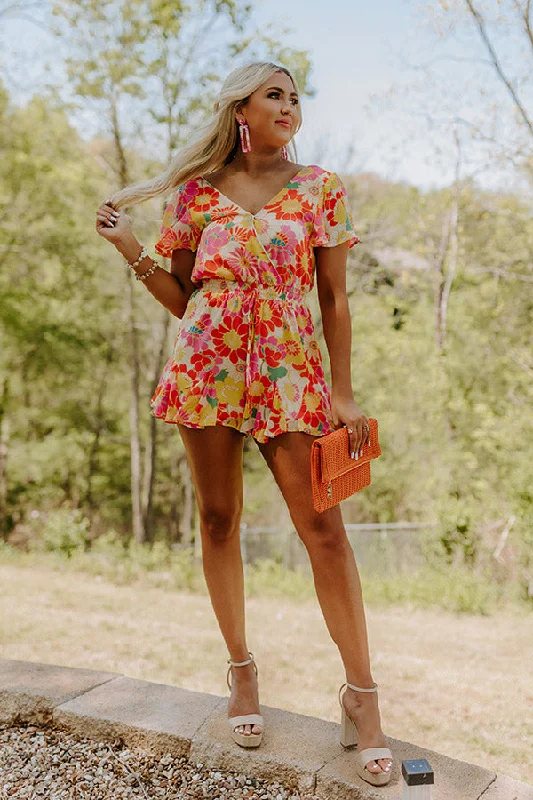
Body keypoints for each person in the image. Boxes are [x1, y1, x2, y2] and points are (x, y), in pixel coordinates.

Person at [95, 60, 393, 787]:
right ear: (241, 109)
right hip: (206, 366)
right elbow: (185, 296)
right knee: (218, 519)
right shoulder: (198, 193)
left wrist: (344, 394)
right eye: (274, 95)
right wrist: (131, 247)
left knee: (322, 528)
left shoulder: (319, 188)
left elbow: (334, 300)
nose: (290, 106)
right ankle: (242, 674)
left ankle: (363, 699)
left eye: (295, 97)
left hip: (292, 370)